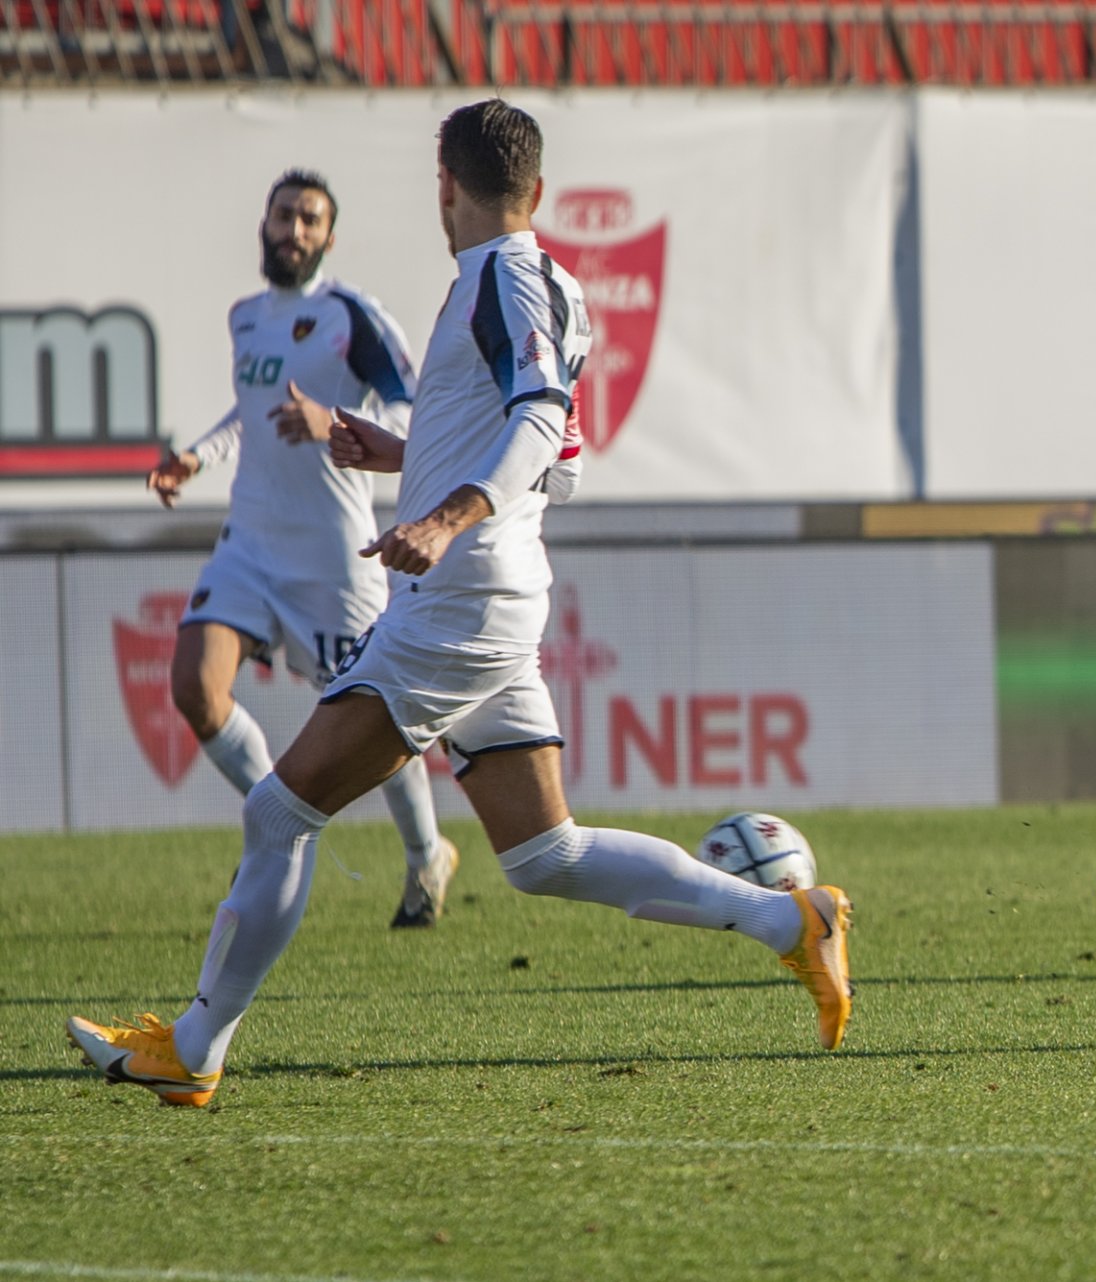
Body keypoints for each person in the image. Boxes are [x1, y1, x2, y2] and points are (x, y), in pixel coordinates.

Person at [69, 99, 852, 1107]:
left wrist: (446, 519)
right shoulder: (544, 282)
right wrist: (397, 453)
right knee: (544, 854)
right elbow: (557, 460)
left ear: (445, 183)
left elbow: (540, 424)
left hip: (459, 602)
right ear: (539, 187)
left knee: (277, 813)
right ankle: (796, 922)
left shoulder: (507, 280)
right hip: (491, 599)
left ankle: (195, 1047)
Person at [149, 167, 459, 929]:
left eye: (310, 220)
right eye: (284, 215)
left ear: (329, 236)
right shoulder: (246, 316)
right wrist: (197, 455)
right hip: (250, 543)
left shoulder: (352, 315)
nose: (294, 230)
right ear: (264, 222)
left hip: (334, 555)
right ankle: (280, 826)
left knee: (378, 721)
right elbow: (251, 411)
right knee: (193, 685)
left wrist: (336, 420)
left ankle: (427, 856)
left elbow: (416, 409)